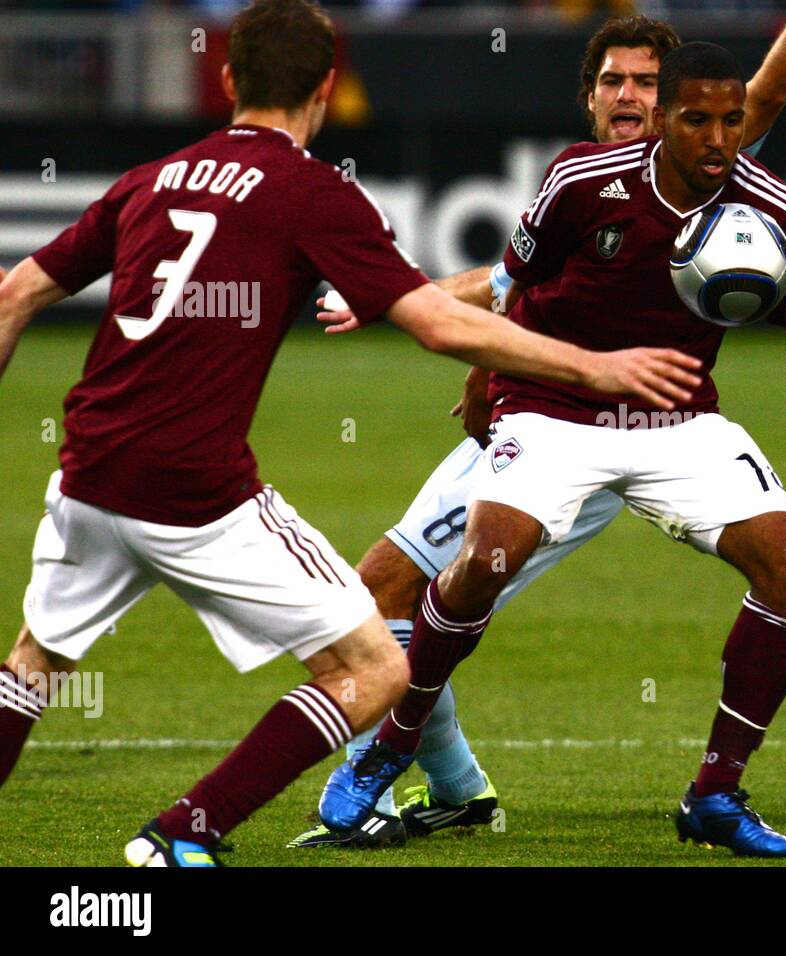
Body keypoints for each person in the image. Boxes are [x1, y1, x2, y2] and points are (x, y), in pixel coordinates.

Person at [0, 0, 698, 867]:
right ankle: (183, 834)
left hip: (87, 474)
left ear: (226, 78)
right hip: (196, 493)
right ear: (327, 87)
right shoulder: (313, 193)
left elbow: (13, 295)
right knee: (374, 670)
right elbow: (441, 327)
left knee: (32, 661)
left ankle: (423, 788)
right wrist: (596, 368)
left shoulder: (155, 176)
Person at [289, 3, 786, 850]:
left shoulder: (739, 174)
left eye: (647, 83)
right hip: (546, 406)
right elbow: (512, 282)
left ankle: (711, 794)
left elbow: (771, 88)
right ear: (594, 98)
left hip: (670, 418)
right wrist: (445, 334)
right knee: (427, 582)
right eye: (613, 80)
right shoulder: (582, 180)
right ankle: (443, 777)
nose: (629, 94)